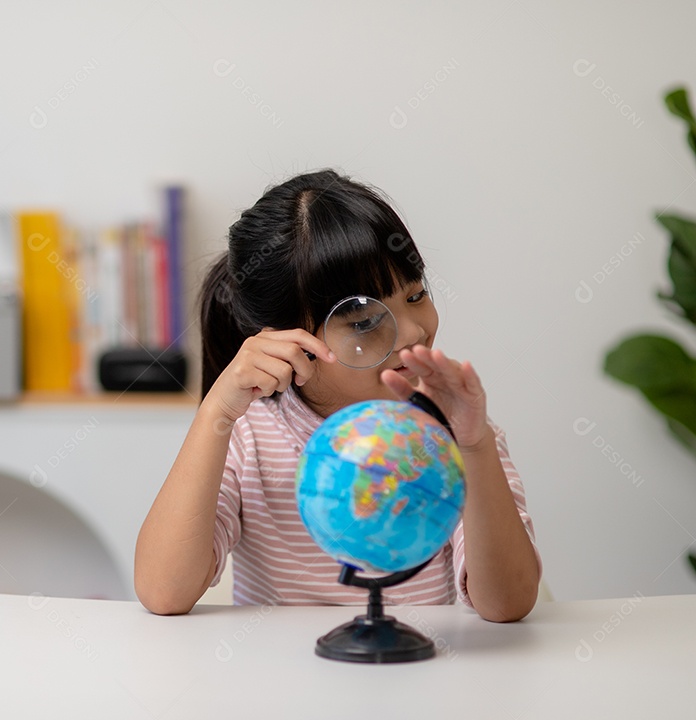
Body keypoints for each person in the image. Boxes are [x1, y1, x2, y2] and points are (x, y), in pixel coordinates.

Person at [134, 169, 541, 622]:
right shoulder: (246, 439)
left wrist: (476, 446)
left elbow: (508, 604)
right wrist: (218, 409)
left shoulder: (454, 432)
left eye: (416, 295)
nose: (412, 332)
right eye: (365, 321)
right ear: (287, 339)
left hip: (419, 682)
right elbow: (162, 592)